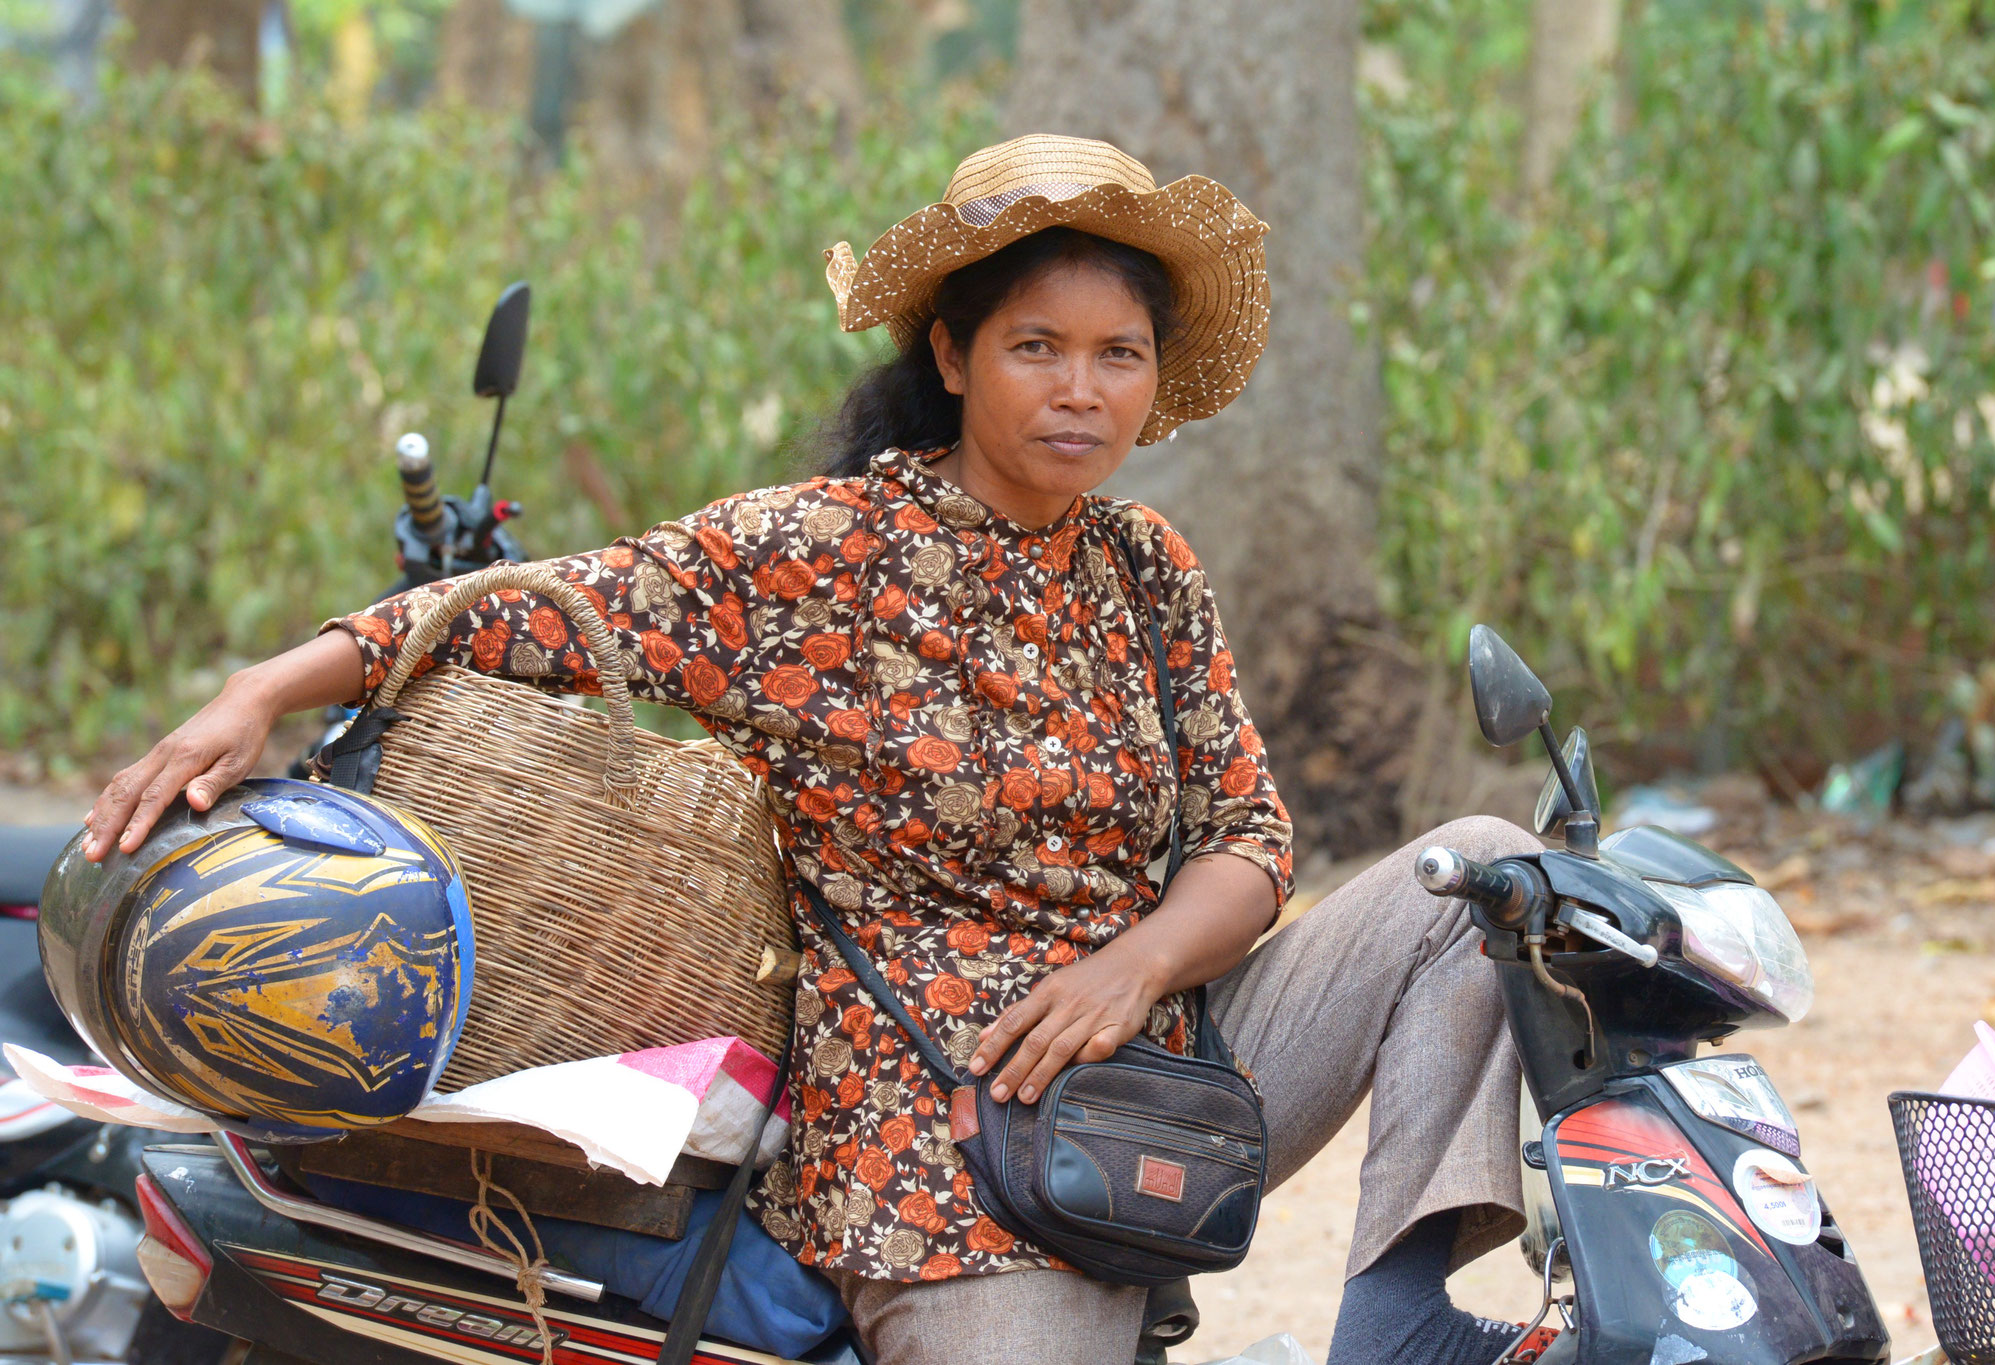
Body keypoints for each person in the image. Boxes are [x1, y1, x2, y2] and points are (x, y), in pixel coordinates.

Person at [85, 134, 1542, 1365]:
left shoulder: (1149, 565)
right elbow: (541, 611)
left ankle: (1397, 1311)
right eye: (1037, 346)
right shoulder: (817, 557)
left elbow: (1250, 840)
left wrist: (1136, 965)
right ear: (955, 355)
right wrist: (260, 686)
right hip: (940, 1140)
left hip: (1172, 1063)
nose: (1081, 388)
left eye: (1118, 354)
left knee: (1480, 874)